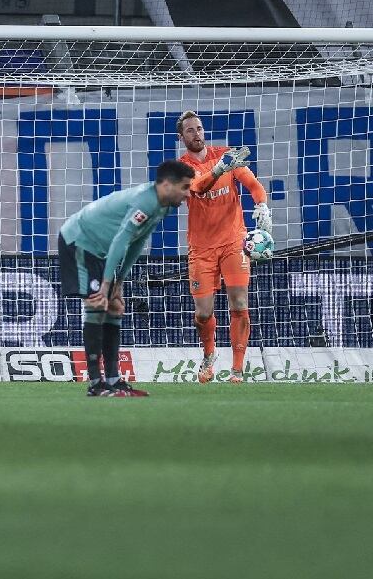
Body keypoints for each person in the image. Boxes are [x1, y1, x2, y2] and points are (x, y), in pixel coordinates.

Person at [59, 159, 196, 397]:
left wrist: (119, 282)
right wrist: (106, 285)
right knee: (97, 303)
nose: (188, 194)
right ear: (166, 185)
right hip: (79, 240)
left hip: (100, 250)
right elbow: (121, 240)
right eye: (184, 187)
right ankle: (95, 384)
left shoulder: (161, 206)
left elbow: (138, 242)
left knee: (114, 307)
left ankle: (113, 380)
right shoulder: (144, 202)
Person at [176, 111, 271, 384]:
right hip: (201, 249)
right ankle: (209, 356)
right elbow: (200, 187)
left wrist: (262, 204)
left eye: (200, 128)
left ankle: (238, 370)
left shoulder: (226, 154)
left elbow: (253, 185)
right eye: (190, 130)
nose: (197, 134)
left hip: (233, 242)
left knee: (239, 303)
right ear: (181, 137)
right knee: (203, 313)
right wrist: (220, 168)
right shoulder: (180, 167)